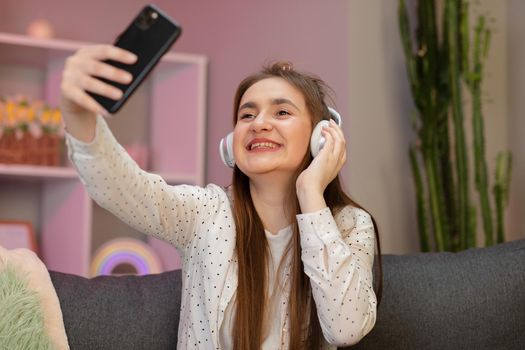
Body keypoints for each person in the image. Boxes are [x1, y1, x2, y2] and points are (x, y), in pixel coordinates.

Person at [60, 45, 382, 350]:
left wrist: (310, 192)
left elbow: (346, 328)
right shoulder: (205, 212)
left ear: (320, 137)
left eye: (281, 112)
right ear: (231, 143)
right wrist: (78, 115)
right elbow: (125, 190)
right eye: (247, 115)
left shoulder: (350, 224)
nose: (260, 124)